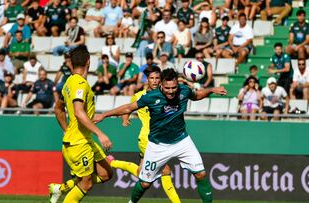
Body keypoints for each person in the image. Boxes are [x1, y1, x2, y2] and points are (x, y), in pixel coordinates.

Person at [94, 68, 227, 203]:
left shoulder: (184, 90)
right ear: (161, 85)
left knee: (201, 174)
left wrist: (210, 90)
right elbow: (128, 108)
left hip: (182, 141)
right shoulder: (151, 97)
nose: (171, 91)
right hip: (157, 145)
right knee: (145, 183)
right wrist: (104, 115)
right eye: (167, 88)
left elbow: (196, 95)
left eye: (174, 87)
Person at [48, 45, 113, 203]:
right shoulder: (79, 84)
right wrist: (101, 134)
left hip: (84, 139)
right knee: (86, 184)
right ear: (88, 62)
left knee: (106, 174)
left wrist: (67, 129)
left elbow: (58, 109)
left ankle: (60, 189)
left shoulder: (69, 81)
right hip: (79, 143)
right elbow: (78, 111)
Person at [107, 65, 181, 203]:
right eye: (152, 78)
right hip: (147, 139)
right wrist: (125, 119)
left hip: (160, 138)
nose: (154, 81)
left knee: (141, 174)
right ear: (147, 79)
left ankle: (112, 162)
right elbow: (128, 109)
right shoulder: (139, 96)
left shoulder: (165, 94)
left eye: (157, 78)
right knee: (165, 169)